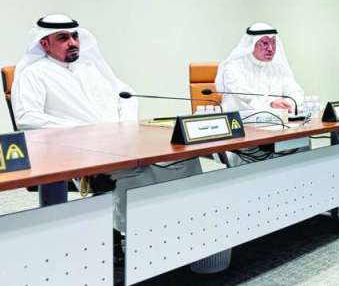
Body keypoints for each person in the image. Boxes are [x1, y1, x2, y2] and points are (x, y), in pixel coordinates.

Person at [11, 14, 202, 232]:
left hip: (121, 143)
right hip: (78, 152)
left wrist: (124, 127)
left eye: (75, 36)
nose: (73, 43)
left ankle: (188, 225)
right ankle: (136, 234)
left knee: (185, 159)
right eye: (63, 38)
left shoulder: (90, 67)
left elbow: (126, 94)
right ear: (45, 44)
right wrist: (89, 132)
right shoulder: (33, 74)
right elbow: (27, 118)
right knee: (138, 173)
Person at [216, 23, 306, 165]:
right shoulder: (233, 67)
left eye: (273, 43)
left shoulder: (277, 67)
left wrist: (290, 103)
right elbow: (244, 95)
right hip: (243, 130)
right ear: (251, 44)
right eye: (265, 43)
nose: (271, 48)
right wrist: (270, 103)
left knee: (302, 141)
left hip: (276, 127)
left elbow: (295, 91)